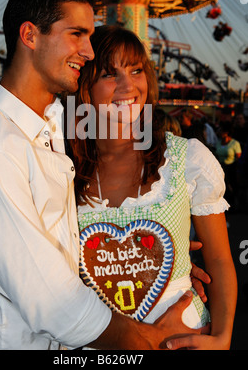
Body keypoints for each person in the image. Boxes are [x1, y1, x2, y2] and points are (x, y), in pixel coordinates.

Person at [0, 0, 205, 351]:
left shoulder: (57, 125)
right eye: (77, 34)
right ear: (30, 35)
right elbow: (53, 302)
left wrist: (162, 267)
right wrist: (150, 341)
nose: (88, 51)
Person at [67, 25, 237, 350]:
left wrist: (224, 336)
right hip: (94, 347)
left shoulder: (187, 159)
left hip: (184, 339)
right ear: (83, 85)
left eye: (136, 70)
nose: (128, 85)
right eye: (108, 74)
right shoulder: (58, 167)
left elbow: (218, 259)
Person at [215, 121, 242, 205]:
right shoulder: (218, 142)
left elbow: (238, 157)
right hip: (221, 168)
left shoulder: (235, 143)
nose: (219, 132)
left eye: (221, 131)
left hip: (231, 169)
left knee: (231, 188)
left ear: (226, 132)